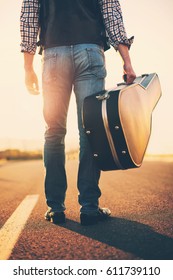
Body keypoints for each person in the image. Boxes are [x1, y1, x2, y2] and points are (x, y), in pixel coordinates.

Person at [20, 0, 136, 226]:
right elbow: (112, 16)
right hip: (90, 52)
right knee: (89, 130)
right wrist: (127, 62)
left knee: (53, 132)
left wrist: (28, 68)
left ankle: (55, 208)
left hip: (53, 54)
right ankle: (90, 208)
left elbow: (29, 17)